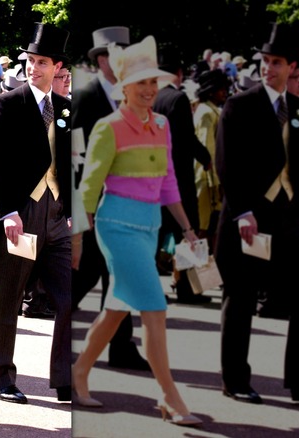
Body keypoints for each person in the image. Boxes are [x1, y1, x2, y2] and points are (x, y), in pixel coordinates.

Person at [72, 35, 203, 427]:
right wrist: (78, 236)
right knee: (155, 309)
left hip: (149, 228)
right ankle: (170, 396)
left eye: (153, 82)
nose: (149, 89)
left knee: (115, 310)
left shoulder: (162, 124)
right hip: (115, 229)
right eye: (141, 82)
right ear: (124, 87)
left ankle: (79, 371)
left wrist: (188, 228)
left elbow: (169, 184)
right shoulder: (108, 127)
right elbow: (89, 187)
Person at [0, 22, 72, 404]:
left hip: (57, 217)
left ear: (58, 66)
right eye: (30, 61)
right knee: (7, 298)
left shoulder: (66, 109)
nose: (34, 68)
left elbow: (69, 163)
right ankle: (1, 378)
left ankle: (67, 379)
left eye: (42, 62)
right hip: (18, 215)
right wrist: (8, 213)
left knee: (70, 297)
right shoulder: (6, 104)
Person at [215, 22, 299, 405]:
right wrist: (244, 212)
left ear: (291, 66)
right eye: (265, 61)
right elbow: (226, 165)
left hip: (286, 222)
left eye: (277, 62)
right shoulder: (240, 105)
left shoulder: (297, 110)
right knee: (241, 301)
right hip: (245, 221)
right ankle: (235, 380)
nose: (269, 68)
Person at [71, 25, 151, 372]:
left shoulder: (127, 96)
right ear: (103, 59)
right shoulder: (87, 97)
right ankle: (70, 336)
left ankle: (121, 347)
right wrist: (79, 207)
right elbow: (75, 156)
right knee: (87, 272)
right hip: (94, 203)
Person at [153, 46, 212, 304]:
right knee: (187, 234)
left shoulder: (150, 96)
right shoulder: (177, 99)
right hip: (178, 179)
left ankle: (148, 286)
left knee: (155, 236)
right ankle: (188, 289)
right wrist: (206, 158)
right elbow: (186, 139)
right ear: (178, 73)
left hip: (153, 178)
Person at [192, 69, 230, 247]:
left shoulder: (209, 109)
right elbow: (208, 150)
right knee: (204, 229)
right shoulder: (206, 112)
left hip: (208, 178)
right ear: (210, 91)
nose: (225, 92)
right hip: (207, 179)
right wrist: (217, 182)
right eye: (221, 88)